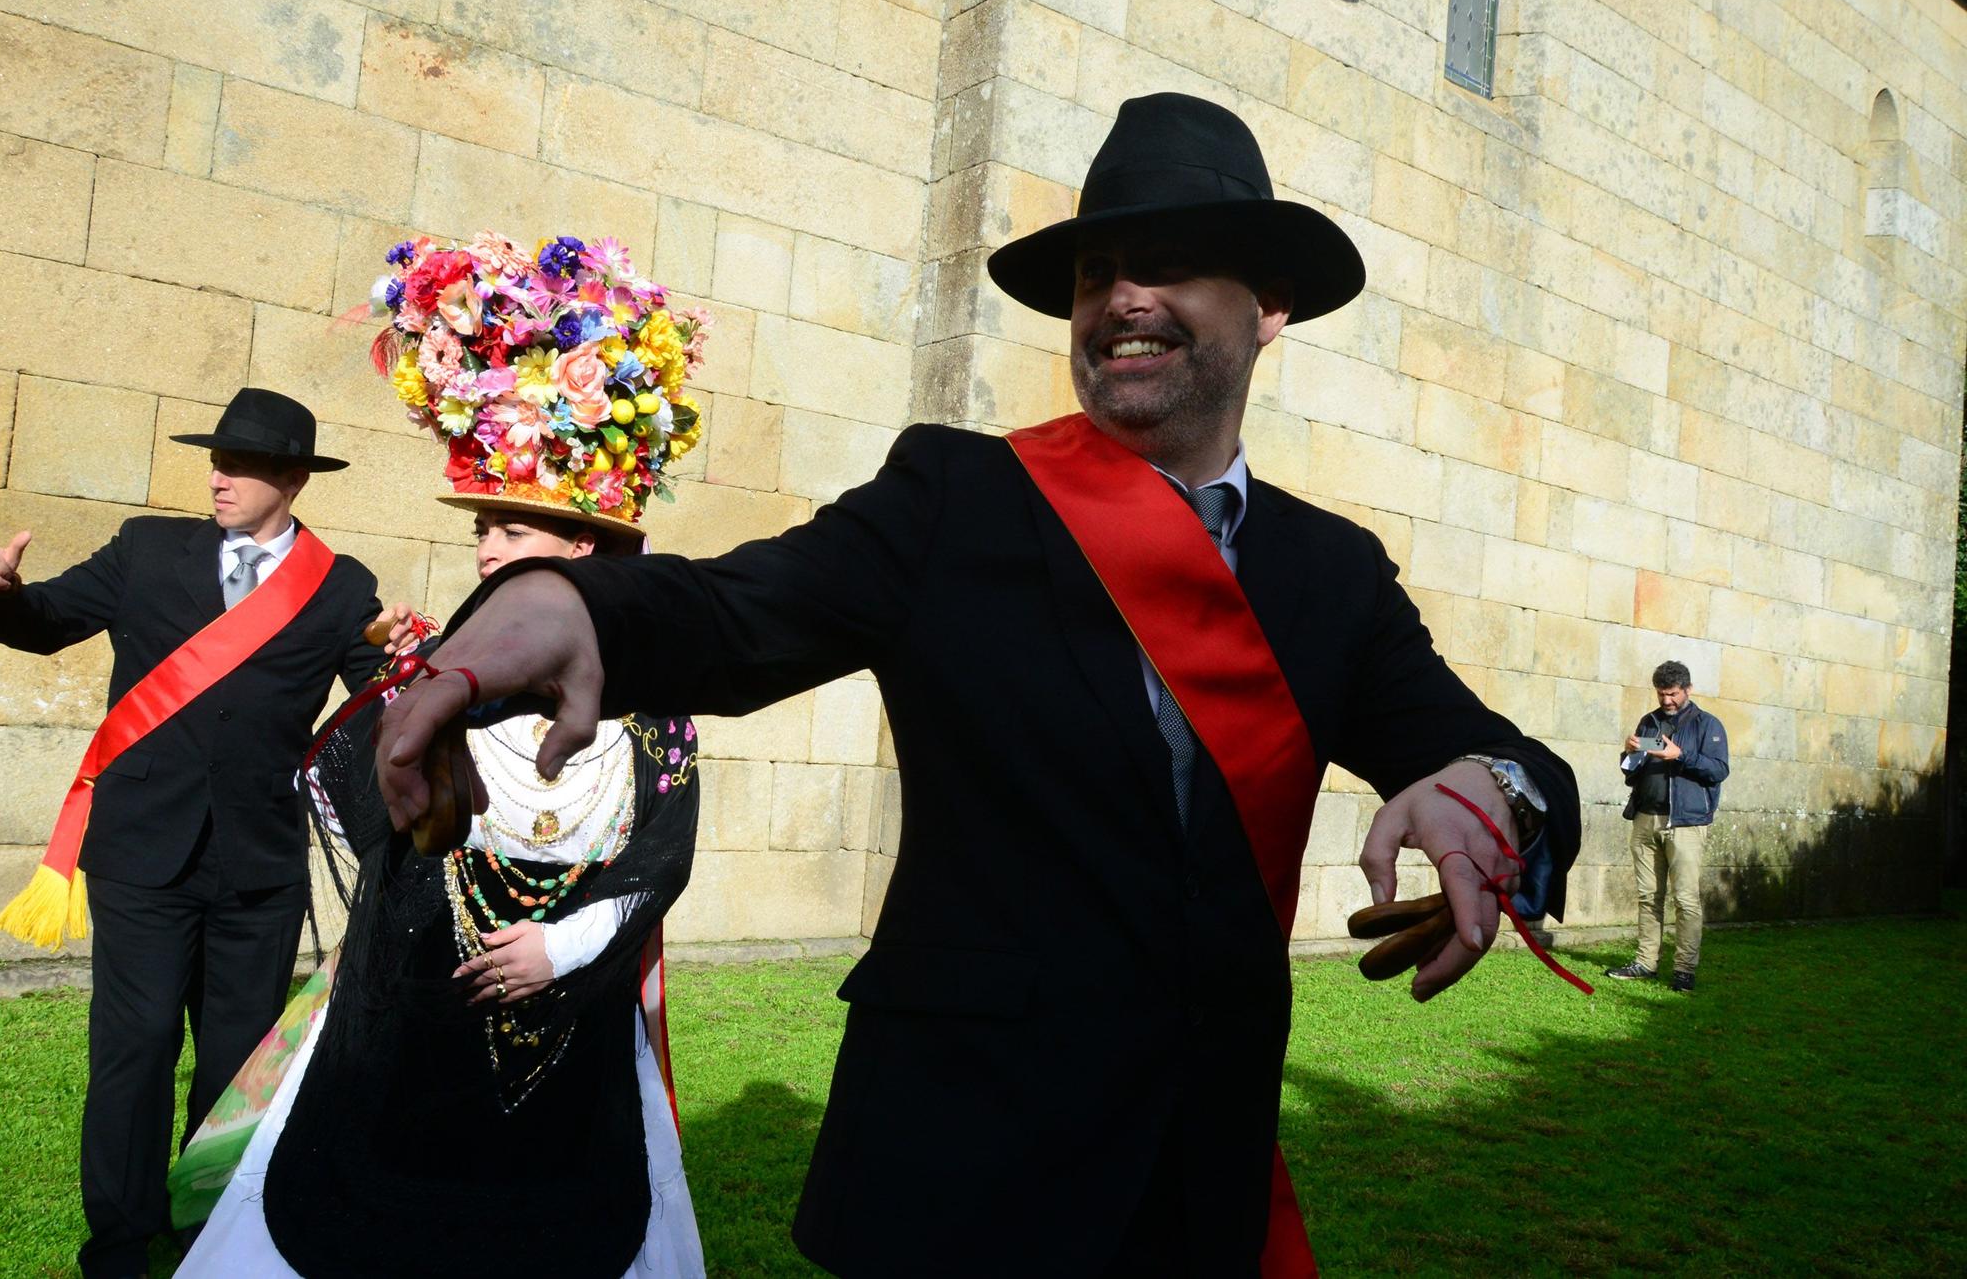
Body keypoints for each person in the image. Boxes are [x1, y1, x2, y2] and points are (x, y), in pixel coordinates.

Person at [373, 94, 1582, 1277]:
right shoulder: (954, 499)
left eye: (1167, 262)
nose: (1120, 298)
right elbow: (737, 608)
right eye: (1094, 270)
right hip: (956, 1177)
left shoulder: (1333, 574)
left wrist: (1495, 799)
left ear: (1268, 306)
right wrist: (566, 601)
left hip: (1195, 1185)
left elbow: (1501, 758)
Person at [176, 230, 714, 1277]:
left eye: (513, 527)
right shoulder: (438, 675)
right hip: (413, 1004)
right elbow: (355, 806)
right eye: (482, 528)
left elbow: (663, 851)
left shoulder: (655, 709)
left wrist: (560, 947)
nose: (486, 548)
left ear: (585, 546)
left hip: (572, 1024)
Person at [0, 386, 413, 1278]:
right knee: (131, 1054)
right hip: (139, 854)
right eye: (216, 459)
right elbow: (49, 621)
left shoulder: (339, 585)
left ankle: (211, 1234)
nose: (219, 476)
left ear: (291, 478)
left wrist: (401, 655)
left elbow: (378, 704)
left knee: (235, 1065)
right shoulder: (146, 549)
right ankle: (122, 1244)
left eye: (241, 464)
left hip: (258, 869)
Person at [1609, 660, 1729, 993]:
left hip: (1686, 823)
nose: (1667, 701)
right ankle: (1645, 963)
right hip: (1645, 819)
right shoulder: (1649, 722)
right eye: (1662, 694)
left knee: (1686, 900)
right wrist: (1629, 752)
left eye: (1673, 694)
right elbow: (1630, 771)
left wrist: (1680, 755)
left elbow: (1718, 770)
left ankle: (1684, 971)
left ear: (1688, 690)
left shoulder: (1708, 724)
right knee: (1649, 897)